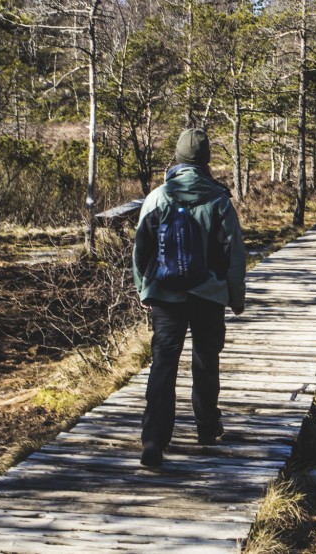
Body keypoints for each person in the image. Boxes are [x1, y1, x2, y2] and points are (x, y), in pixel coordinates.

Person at [132, 128, 247, 468]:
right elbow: (234, 253)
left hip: (166, 297)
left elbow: (142, 248)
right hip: (208, 295)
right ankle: (207, 428)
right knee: (206, 362)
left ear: (179, 159)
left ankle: (154, 439)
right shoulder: (218, 199)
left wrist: (144, 288)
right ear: (206, 159)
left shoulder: (158, 197)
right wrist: (234, 296)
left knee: (163, 365)